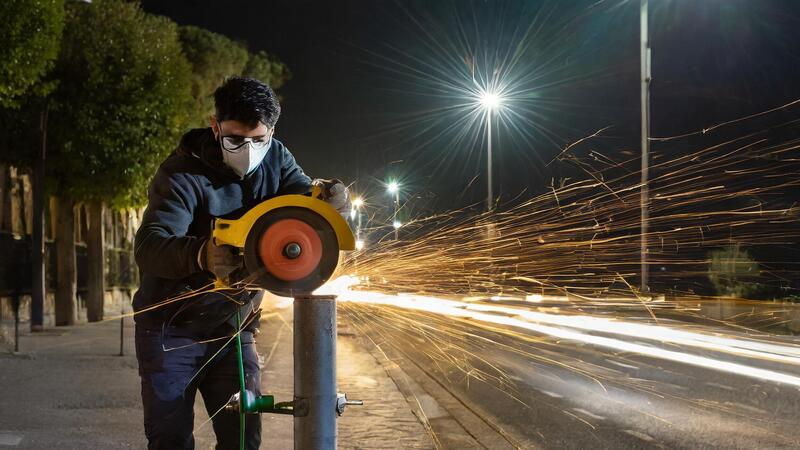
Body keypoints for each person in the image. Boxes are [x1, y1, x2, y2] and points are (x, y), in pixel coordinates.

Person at [132, 76, 348, 449]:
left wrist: (326, 204)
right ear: (215, 127)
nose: (248, 150)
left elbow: (301, 210)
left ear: (272, 131)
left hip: (234, 328)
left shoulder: (277, 158)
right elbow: (149, 246)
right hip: (171, 330)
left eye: (258, 139)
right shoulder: (182, 173)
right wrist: (202, 254)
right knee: (170, 439)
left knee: (244, 439)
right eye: (234, 139)